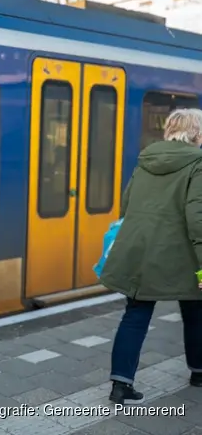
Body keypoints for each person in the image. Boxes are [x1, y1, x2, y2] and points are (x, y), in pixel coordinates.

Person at [99, 108, 202, 405]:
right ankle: (198, 371)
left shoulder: (145, 160)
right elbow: (197, 218)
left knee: (135, 314)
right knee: (195, 312)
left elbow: (126, 205)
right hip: (183, 257)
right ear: (195, 133)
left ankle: (120, 385)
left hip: (140, 252)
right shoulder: (197, 163)